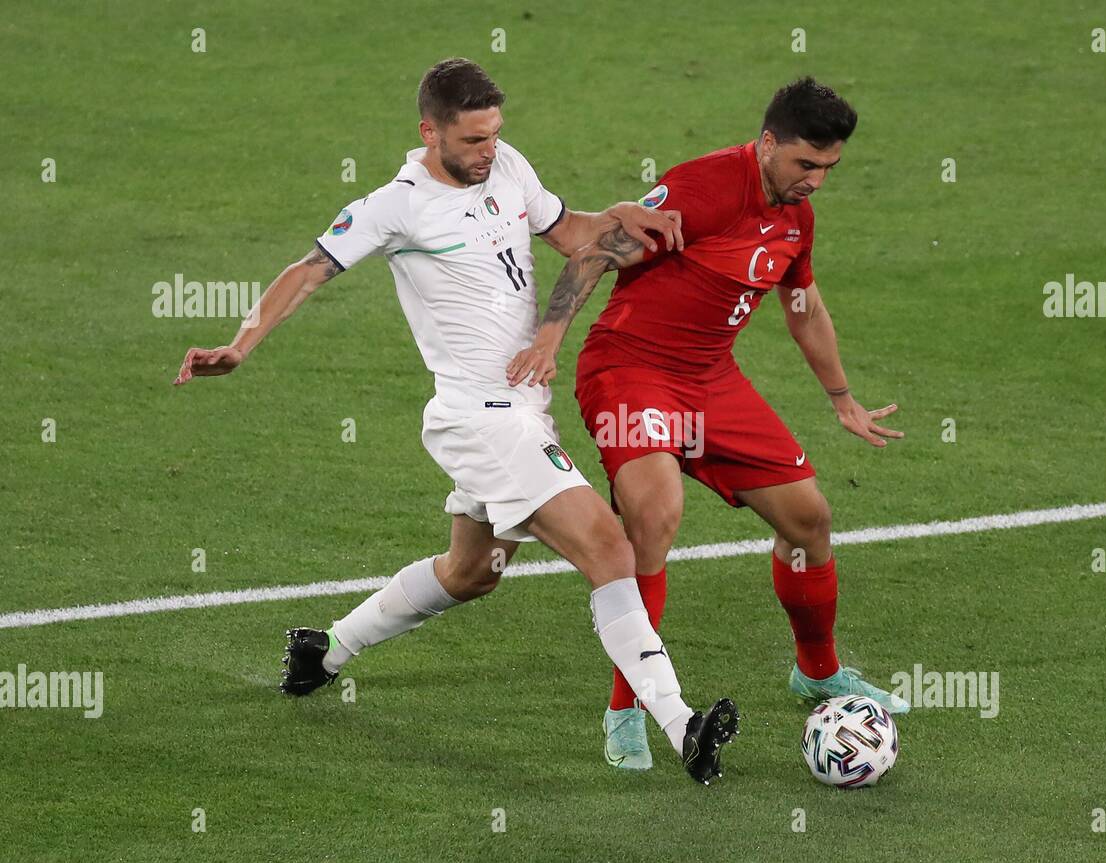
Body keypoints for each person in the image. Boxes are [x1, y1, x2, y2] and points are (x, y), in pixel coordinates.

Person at [174, 58, 738, 784]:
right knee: (609, 548)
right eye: (473, 140)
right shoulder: (396, 206)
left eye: (495, 135)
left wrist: (626, 218)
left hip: (521, 413)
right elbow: (306, 270)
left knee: (472, 572)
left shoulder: (507, 171)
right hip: (483, 419)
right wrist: (239, 345)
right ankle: (680, 723)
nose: (488, 151)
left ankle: (324, 652)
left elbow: (573, 236)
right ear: (429, 132)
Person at [507, 77, 907, 772]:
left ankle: (817, 672)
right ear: (768, 143)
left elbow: (803, 305)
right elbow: (599, 248)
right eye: (805, 164)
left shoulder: (795, 219)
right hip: (628, 368)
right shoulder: (706, 187)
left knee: (809, 520)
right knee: (657, 515)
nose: (815, 180)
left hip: (709, 381)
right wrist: (549, 336)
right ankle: (626, 709)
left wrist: (841, 397)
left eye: (828, 169)